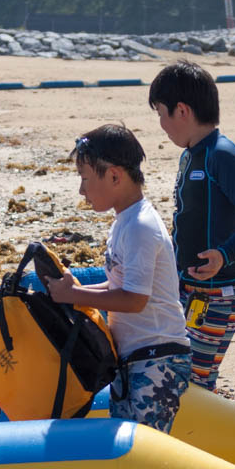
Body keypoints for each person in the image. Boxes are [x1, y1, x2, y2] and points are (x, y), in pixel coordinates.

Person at [45, 124, 192, 433]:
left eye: (85, 179)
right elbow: (119, 286)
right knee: (127, 449)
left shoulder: (140, 226)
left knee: (145, 450)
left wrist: (76, 296)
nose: (82, 191)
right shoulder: (124, 221)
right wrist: (76, 290)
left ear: (114, 175)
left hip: (157, 359)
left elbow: (134, 300)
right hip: (132, 359)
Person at [147, 60, 235, 391]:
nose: (161, 124)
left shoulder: (222, 155)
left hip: (221, 291)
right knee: (179, 368)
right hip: (192, 286)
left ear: (183, 111)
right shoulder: (190, 154)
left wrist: (223, 253)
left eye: (162, 113)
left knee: (195, 379)